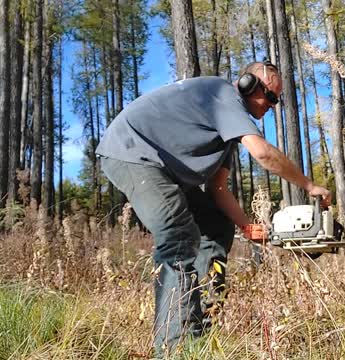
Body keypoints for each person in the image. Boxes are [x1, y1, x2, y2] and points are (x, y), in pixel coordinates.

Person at [95, 61, 331, 356]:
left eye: (277, 100)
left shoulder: (227, 130)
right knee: (178, 235)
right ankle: (174, 347)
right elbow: (262, 154)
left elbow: (218, 190)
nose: (273, 105)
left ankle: (203, 322)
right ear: (247, 85)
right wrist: (309, 185)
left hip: (160, 166)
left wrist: (248, 227)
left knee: (216, 223)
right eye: (270, 97)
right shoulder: (223, 96)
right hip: (131, 152)